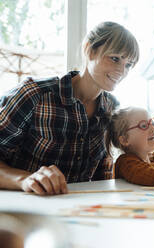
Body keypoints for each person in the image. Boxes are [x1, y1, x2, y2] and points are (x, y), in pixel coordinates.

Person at [0, 22, 139, 195]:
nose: (121, 71)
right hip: (26, 209)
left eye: (128, 65)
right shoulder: (34, 95)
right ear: (89, 50)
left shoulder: (112, 108)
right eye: (115, 58)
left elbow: (104, 174)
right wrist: (24, 179)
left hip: (79, 211)